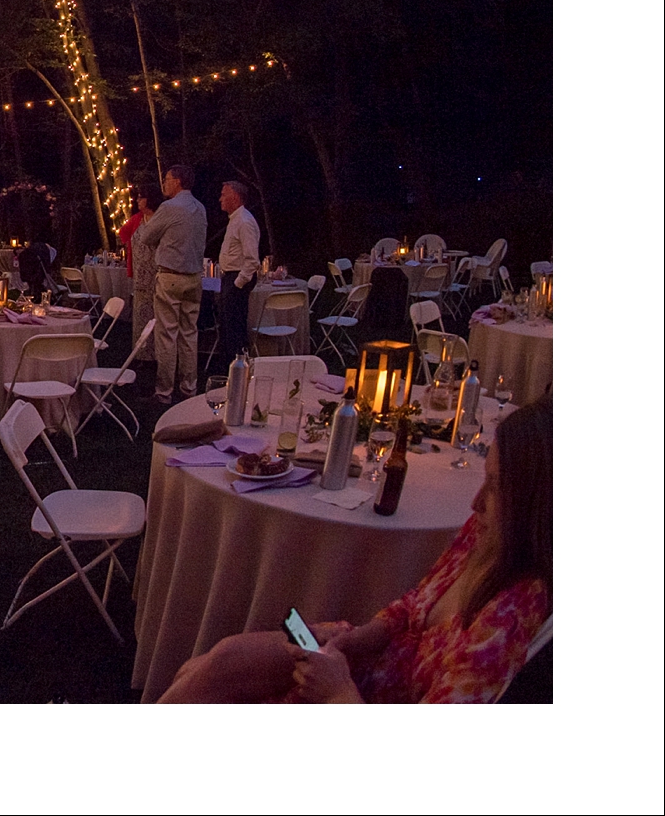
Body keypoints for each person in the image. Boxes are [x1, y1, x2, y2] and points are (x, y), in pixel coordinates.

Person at [161, 396, 552, 704]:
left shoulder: (510, 619)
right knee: (217, 662)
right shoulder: (481, 535)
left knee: (206, 677)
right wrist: (362, 638)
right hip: (362, 662)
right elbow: (414, 605)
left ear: (538, 504)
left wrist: (336, 691)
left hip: (360, 697)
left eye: (498, 488)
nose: (476, 503)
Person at [133, 164, 207, 401]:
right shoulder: (201, 208)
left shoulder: (169, 207)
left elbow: (145, 236)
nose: (164, 184)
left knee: (166, 335)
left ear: (177, 181)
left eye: (166, 179)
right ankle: (189, 387)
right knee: (189, 333)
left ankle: (164, 390)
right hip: (195, 277)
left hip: (171, 276)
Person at [213, 179, 261, 371]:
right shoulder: (236, 220)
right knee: (226, 325)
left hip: (237, 278)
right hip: (230, 277)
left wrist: (238, 284)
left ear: (235, 196)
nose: (219, 199)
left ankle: (238, 368)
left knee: (235, 326)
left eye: (224, 194)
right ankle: (228, 367)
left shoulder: (244, 221)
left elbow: (252, 260)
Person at [128, 184, 164, 361]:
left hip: (154, 275)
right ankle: (140, 354)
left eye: (142, 197)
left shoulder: (159, 221)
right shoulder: (140, 220)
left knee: (155, 316)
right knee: (140, 314)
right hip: (140, 275)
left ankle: (155, 355)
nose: (138, 200)